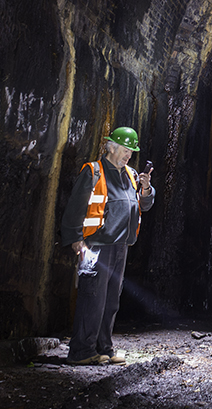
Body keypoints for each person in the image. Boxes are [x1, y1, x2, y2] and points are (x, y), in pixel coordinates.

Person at [61, 126, 154, 366]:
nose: (128, 155)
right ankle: (81, 350)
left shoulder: (132, 175)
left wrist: (146, 188)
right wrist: (75, 239)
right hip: (96, 246)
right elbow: (75, 208)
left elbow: (144, 205)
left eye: (131, 152)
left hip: (120, 245)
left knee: (111, 299)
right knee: (93, 296)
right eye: (125, 150)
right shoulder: (94, 171)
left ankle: (104, 347)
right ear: (111, 147)